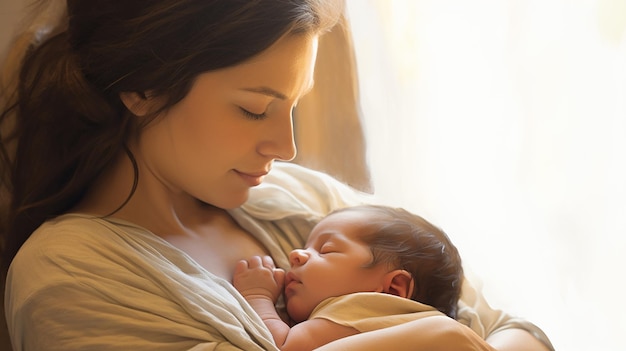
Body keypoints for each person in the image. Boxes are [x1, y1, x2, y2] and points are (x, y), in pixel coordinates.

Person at [0, 1, 555, 350]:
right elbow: (475, 331)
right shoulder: (70, 275)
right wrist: (444, 336)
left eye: (292, 106)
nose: (286, 147)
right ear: (142, 88)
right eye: (252, 108)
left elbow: (516, 328)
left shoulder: (301, 199)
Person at [233, 204, 466, 351]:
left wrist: (258, 296)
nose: (296, 254)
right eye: (306, 246)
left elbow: (286, 346)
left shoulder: (364, 309)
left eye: (325, 249)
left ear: (393, 290)